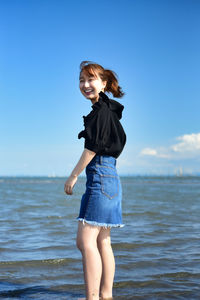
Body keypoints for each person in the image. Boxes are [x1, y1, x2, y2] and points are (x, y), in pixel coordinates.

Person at [64, 61, 126, 300]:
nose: (85, 85)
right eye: (82, 80)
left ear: (103, 84)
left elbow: (92, 148)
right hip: (111, 177)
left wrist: (73, 175)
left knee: (84, 241)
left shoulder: (100, 112)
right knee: (102, 241)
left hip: (100, 175)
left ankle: (92, 297)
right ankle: (106, 295)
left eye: (91, 80)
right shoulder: (108, 110)